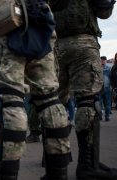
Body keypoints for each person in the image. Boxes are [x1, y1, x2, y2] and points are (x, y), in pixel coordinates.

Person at [0, 0, 72, 179]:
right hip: (40, 19)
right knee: (49, 100)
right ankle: (59, 172)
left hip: (5, 18)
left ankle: (8, 174)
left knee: (12, 100)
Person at [52, 0, 117, 179]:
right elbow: (104, 12)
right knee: (88, 101)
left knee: (54, 104)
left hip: (54, 46)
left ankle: (54, 163)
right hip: (83, 43)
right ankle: (87, 165)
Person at [101, 56, 112, 121]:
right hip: (99, 88)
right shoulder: (98, 69)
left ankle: (107, 116)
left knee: (107, 103)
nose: (103, 61)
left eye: (104, 60)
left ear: (106, 61)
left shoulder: (109, 69)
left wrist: (111, 87)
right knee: (99, 103)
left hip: (107, 88)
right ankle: (100, 115)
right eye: (102, 60)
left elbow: (111, 78)